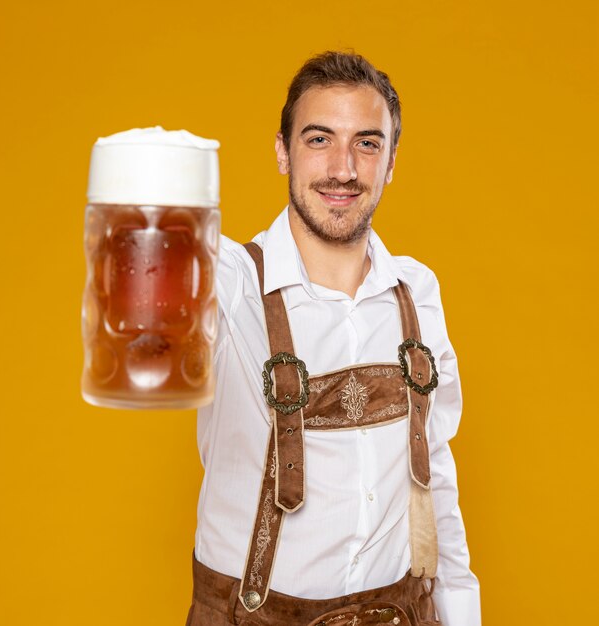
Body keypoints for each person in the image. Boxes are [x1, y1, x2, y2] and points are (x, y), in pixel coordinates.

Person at [187, 51, 481, 625]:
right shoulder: (226, 282)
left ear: (391, 161)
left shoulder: (417, 291)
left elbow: (435, 474)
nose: (343, 169)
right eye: (319, 139)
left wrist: (463, 614)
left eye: (367, 144)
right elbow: (149, 321)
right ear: (282, 151)